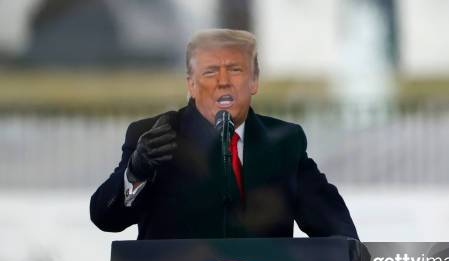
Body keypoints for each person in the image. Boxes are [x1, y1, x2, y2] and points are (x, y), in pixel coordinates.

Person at [90, 28, 360, 243]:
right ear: (191, 84)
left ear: (254, 81)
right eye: (210, 71)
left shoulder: (284, 141)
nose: (223, 81)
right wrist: (136, 172)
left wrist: (347, 245)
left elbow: (327, 216)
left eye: (235, 69)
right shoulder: (151, 135)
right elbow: (105, 217)